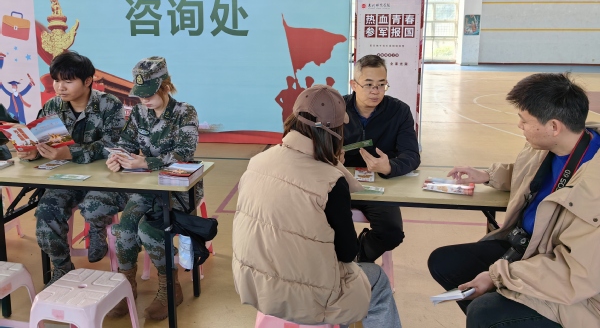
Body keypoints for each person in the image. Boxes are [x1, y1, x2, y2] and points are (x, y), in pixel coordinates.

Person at [428, 73, 600, 328]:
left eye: (525, 120)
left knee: (484, 312)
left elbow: (574, 273)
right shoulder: (550, 146)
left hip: (569, 283)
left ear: (554, 126)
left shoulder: (594, 190)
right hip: (527, 248)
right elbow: (529, 174)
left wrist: (498, 276)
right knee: (445, 262)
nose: (520, 126)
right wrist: (488, 176)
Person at [232, 85, 401, 328]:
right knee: (377, 280)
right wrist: (332, 166)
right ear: (335, 132)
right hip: (309, 299)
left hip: (253, 283)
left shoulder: (258, 161)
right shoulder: (330, 180)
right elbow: (347, 253)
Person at [19, 51, 127, 285]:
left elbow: (115, 145)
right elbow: (41, 141)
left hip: (106, 179)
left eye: (68, 81)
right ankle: (62, 267)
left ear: (87, 81)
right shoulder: (52, 106)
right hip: (66, 179)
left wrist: (71, 153)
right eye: (56, 80)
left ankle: (97, 227)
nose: (60, 87)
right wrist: (33, 152)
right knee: (46, 215)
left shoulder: (110, 104)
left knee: (95, 205)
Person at [106, 56, 199, 321]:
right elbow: (125, 142)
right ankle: (126, 287)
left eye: (149, 94)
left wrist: (146, 161)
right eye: (140, 95)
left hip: (178, 190)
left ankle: (170, 287)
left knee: (148, 230)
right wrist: (118, 158)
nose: (144, 100)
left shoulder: (185, 112)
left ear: (165, 86)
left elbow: (185, 152)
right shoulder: (139, 113)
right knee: (126, 229)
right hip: (146, 187)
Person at [343, 55, 420, 262]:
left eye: (381, 85)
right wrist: (330, 158)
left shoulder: (399, 111)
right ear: (354, 85)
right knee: (318, 222)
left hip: (379, 186)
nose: (375, 91)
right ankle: (337, 262)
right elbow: (314, 149)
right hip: (339, 182)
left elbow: (412, 155)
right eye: (368, 84)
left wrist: (389, 167)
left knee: (391, 232)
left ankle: (357, 260)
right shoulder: (336, 108)